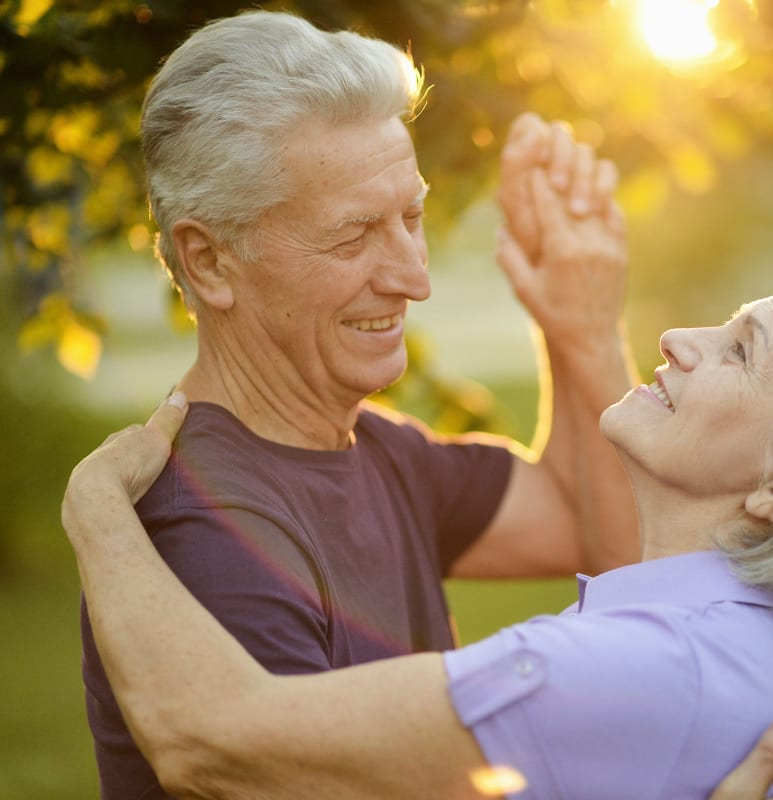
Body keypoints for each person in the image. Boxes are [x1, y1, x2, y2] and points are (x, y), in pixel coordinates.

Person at [64, 262, 773, 798]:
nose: (680, 340)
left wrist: (100, 513)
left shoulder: (630, 669)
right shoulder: (770, 650)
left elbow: (208, 740)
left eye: (739, 350)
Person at [79, 10, 641, 798]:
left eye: (410, 217)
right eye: (354, 237)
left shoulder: (372, 448)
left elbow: (601, 531)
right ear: (208, 261)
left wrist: (580, 328)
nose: (414, 277)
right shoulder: (208, 529)